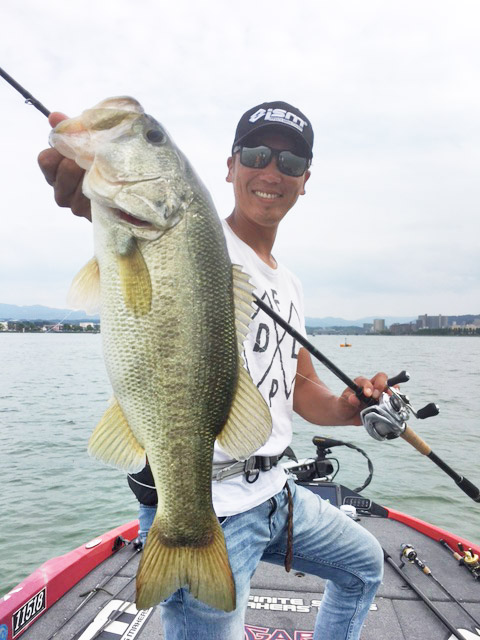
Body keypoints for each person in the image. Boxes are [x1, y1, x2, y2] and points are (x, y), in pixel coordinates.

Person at [39, 100, 387, 640]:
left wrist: (348, 408)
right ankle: (182, 537)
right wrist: (94, 190)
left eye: (290, 162)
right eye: (257, 154)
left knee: (365, 565)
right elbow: (140, 224)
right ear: (230, 166)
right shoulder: (194, 238)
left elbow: (301, 389)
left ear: (305, 181)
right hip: (209, 507)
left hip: (276, 491)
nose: (272, 170)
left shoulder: (290, 284)